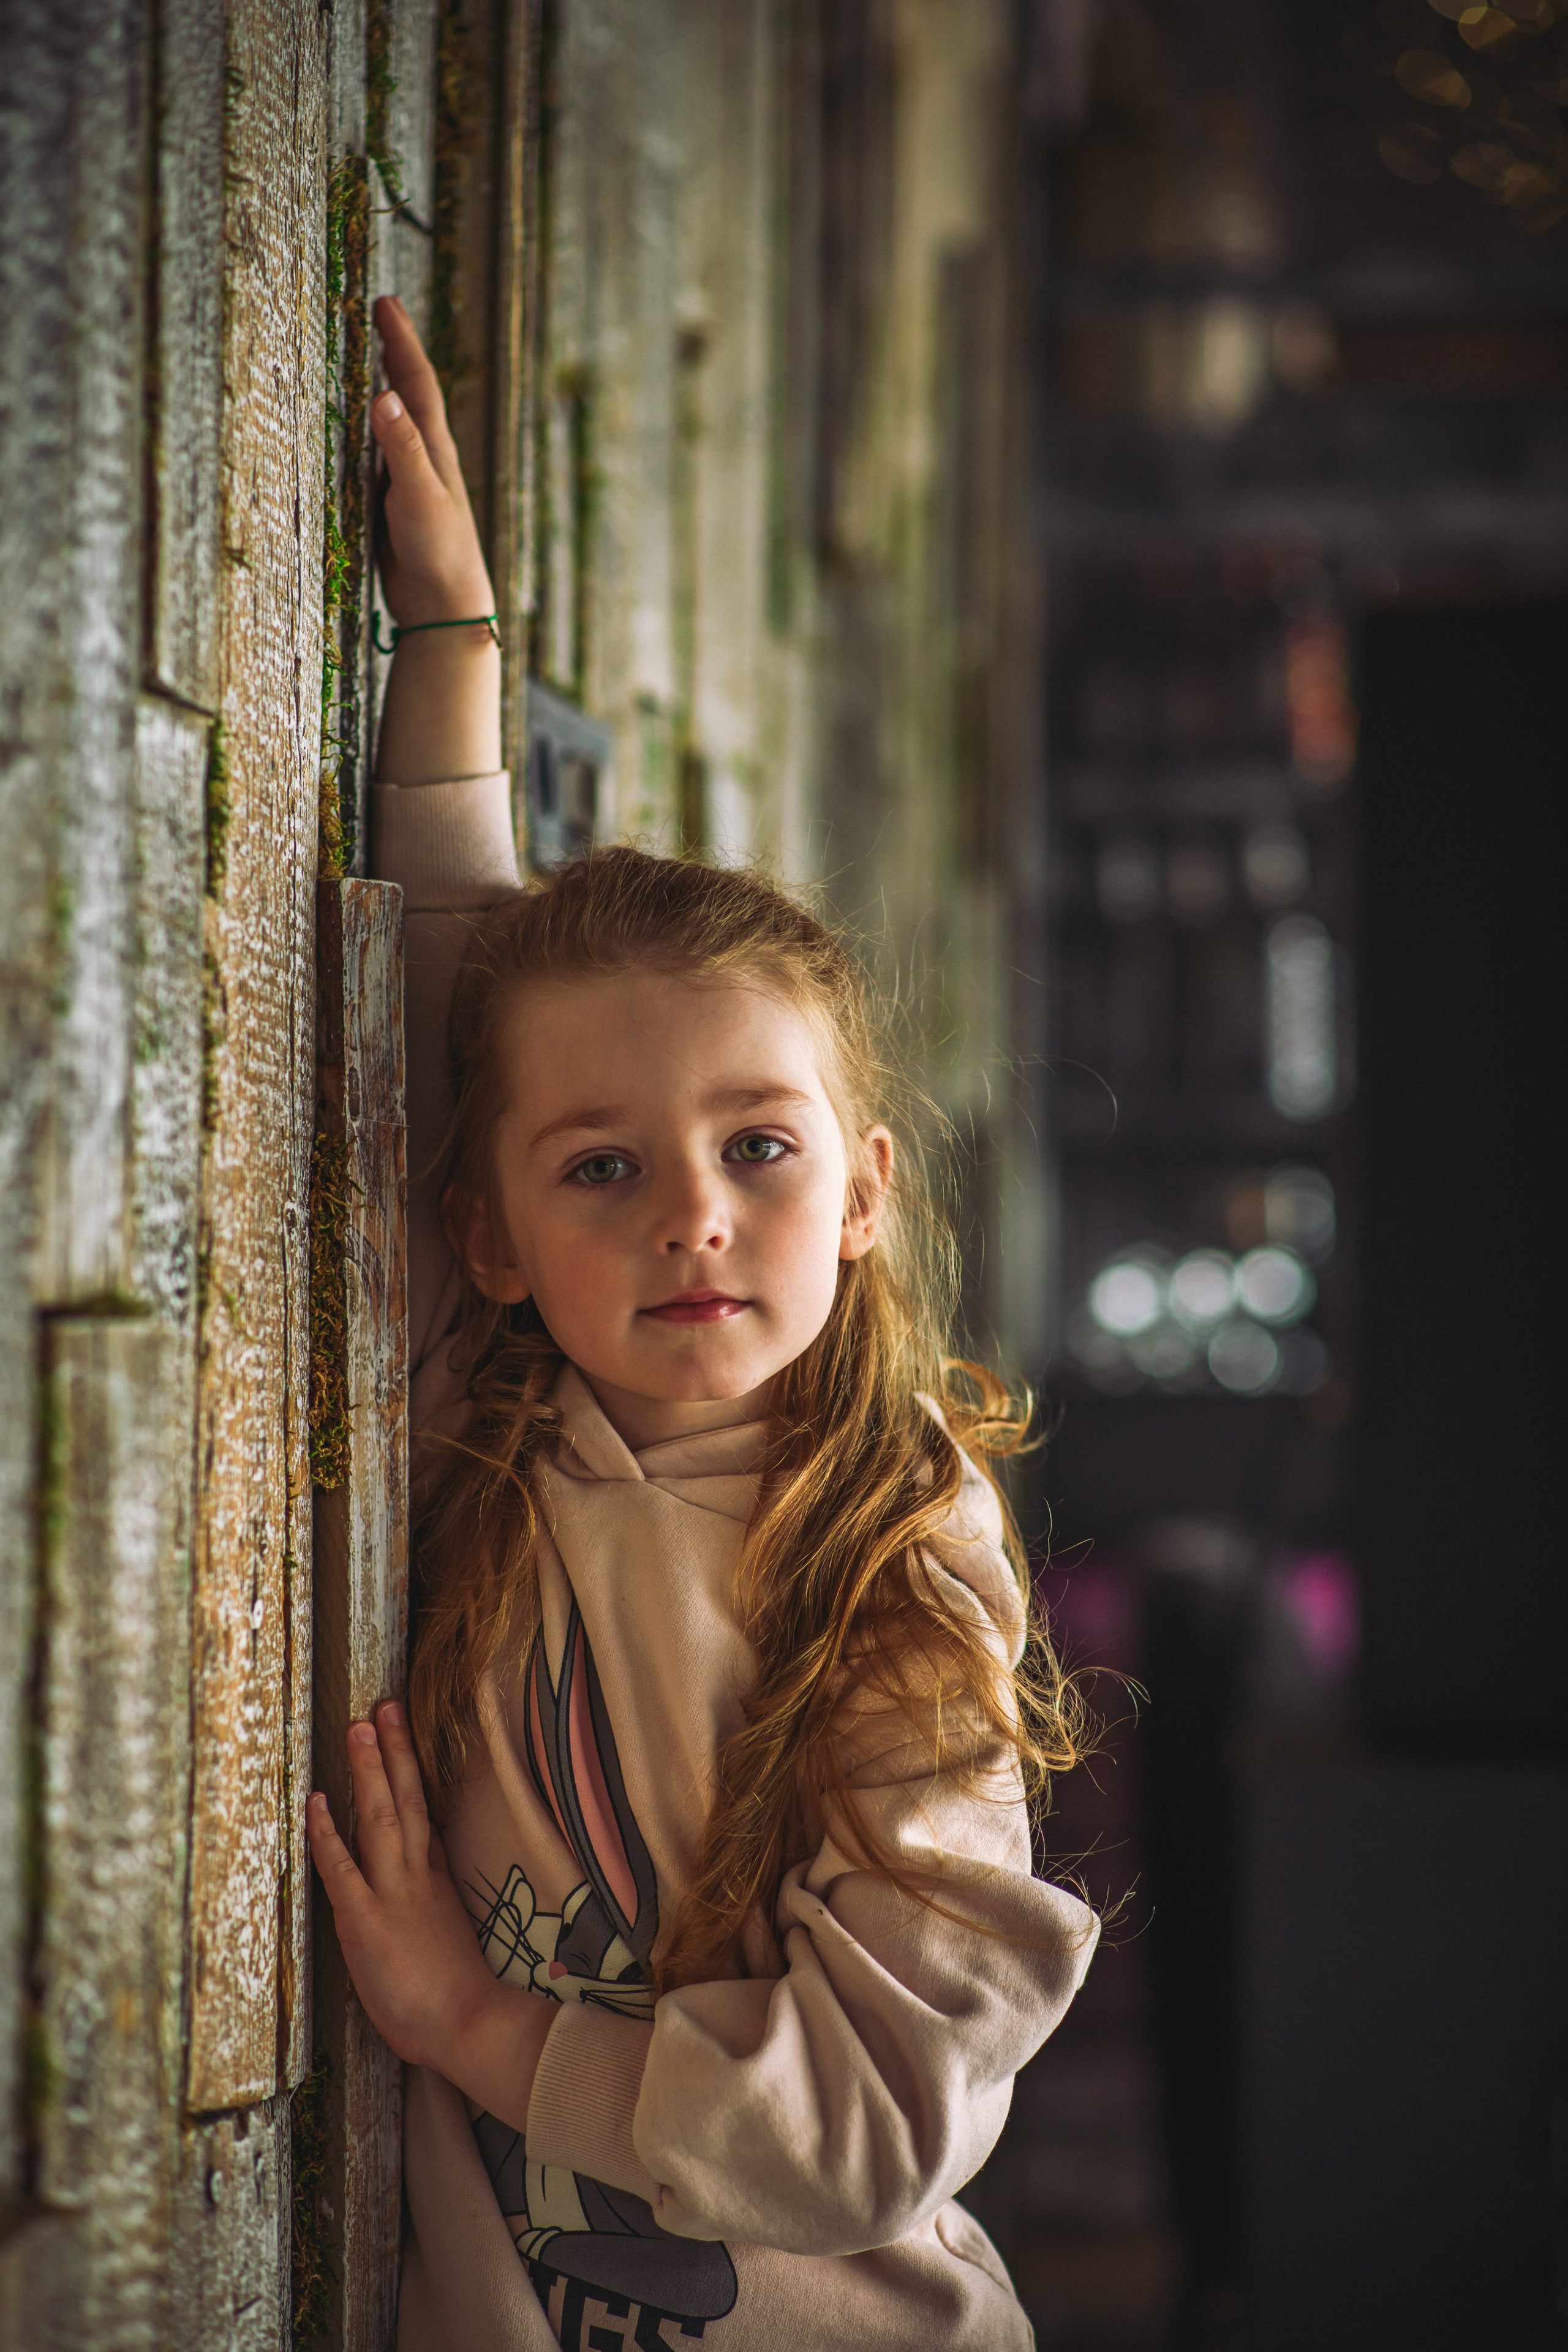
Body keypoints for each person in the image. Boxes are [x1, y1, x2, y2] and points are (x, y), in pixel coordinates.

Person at [306, 294, 1099, 2352]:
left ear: (865, 1195)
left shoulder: (895, 1565)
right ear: (489, 1238)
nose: (690, 1216)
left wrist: (471, 2025)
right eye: (602, 1170)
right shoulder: (494, 1400)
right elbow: (451, 1005)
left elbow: (878, 2117)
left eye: (758, 1147)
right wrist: (449, 644)